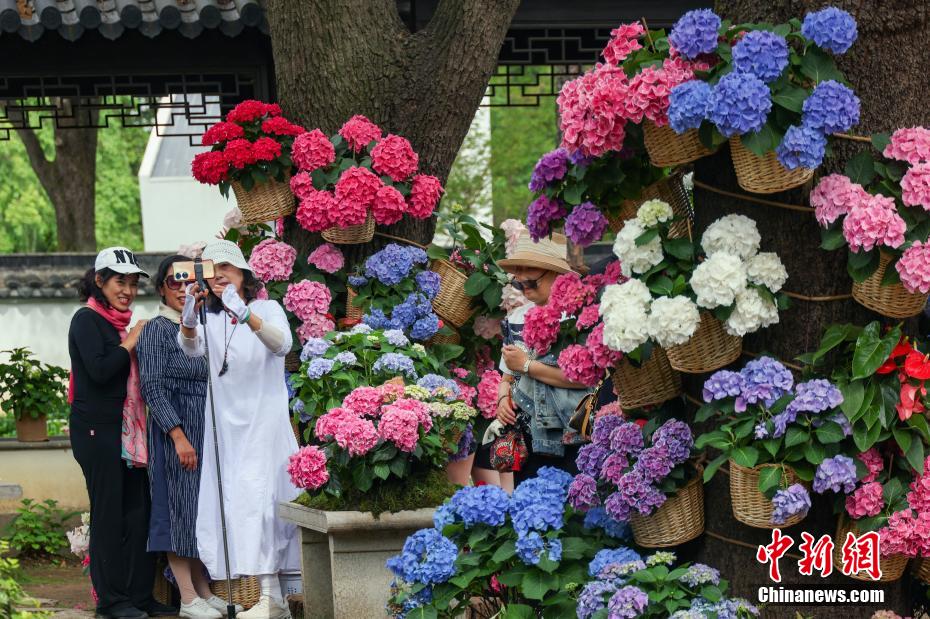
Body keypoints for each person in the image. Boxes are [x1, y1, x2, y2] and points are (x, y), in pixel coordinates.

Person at [178, 240, 299, 619]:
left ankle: (273, 596)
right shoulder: (210, 317)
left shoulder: (265, 307)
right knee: (237, 504)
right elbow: (190, 349)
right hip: (227, 428)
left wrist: (244, 313)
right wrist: (189, 312)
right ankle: (267, 596)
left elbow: (283, 344)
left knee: (264, 501)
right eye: (215, 272)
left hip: (264, 421)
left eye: (227, 270)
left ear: (244, 275)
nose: (221, 279)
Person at [68, 247, 175, 618]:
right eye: (119, 281)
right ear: (99, 282)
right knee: (110, 515)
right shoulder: (86, 320)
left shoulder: (119, 325)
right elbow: (100, 372)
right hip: (97, 433)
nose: (127, 290)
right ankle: (112, 603)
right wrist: (130, 342)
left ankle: (140, 597)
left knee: (138, 513)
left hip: (127, 435)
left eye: (132, 283)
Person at [138, 255, 237, 619]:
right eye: (172, 282)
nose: (182, 290)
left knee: (201, 511)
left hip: (206, 429)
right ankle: (186, 596)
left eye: (187, 282)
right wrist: (178, 435)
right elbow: (152, 386)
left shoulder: (202, 327)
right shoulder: (156, 329)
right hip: (174, 430)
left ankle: (203, 589)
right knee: (177, 509)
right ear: (161, 289)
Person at [493, 232, 593, 481]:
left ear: (558, 276)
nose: (525, 290)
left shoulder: (578, 319)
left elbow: (582, 380)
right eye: (519, 284)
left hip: (570, 434)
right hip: (528, 438)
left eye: (532, 283)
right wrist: (503, 399)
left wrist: (527, 366)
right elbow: (507, 376)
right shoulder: (515, 319)